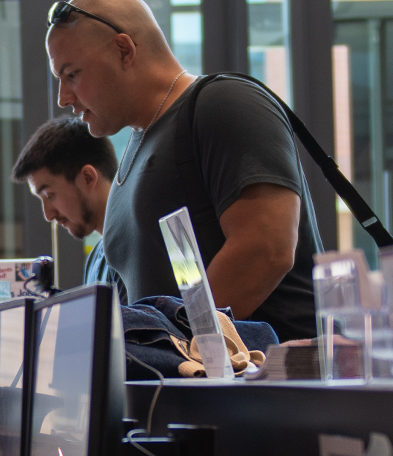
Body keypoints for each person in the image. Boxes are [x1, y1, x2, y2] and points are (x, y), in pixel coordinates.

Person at [46, 0, 319, 340]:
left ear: (124, 50)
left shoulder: (224, 102)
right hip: (191, 386)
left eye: (71, 74)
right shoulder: (132, 154)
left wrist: (168, 342)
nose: (63, 97)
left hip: (272, 385)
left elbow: (267, 249)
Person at [9, 115, 118, 285]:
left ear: (88, 178)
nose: (48, 215)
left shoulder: (134, 251)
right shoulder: (96, 259)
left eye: (50, 195)